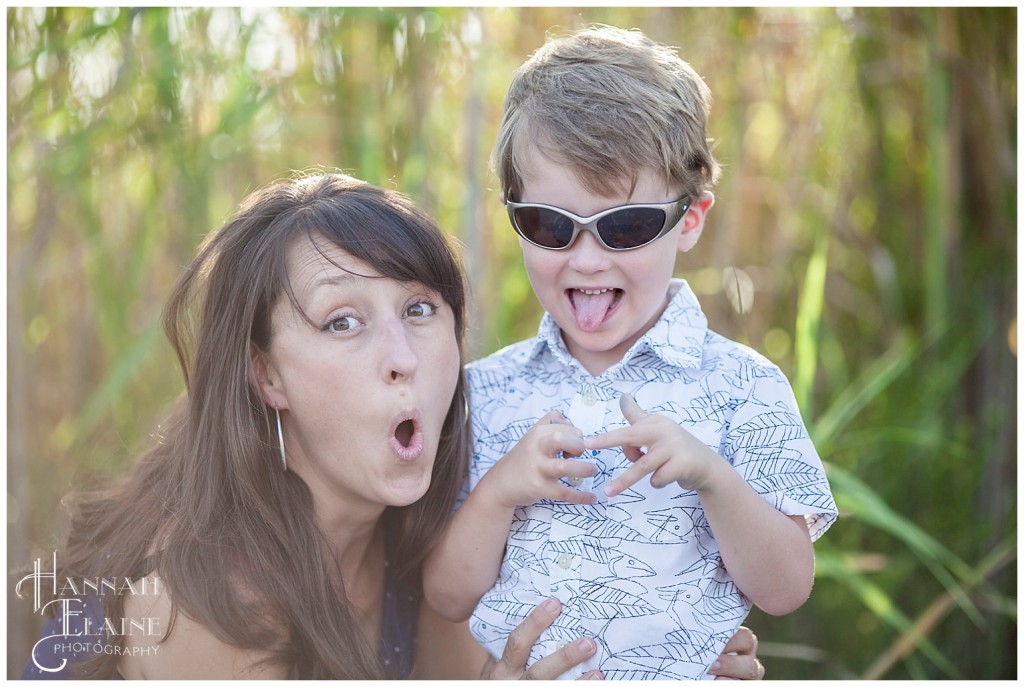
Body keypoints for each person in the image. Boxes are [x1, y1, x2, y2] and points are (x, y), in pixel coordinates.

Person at [18, 171, 764, 680]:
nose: (402, 358)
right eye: (343, 321)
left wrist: (668, 656)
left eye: (419, 309)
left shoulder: (434, 546)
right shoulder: (195, 602)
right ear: (265, 374)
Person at [422, 26, 838, 680]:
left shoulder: (743, 385)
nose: (587, 258)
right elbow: (446, 594)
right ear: (514, 212)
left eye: (626, 226)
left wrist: (712, 476)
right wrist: (499, 491)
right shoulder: (481, 392)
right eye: (550, 225)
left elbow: (786, 588)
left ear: (690, 218)